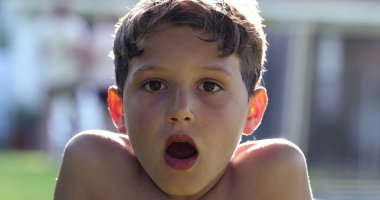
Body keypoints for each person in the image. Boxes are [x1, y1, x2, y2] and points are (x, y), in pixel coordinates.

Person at [54, 0, 313, 199]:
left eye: (210, 86)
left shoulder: (271, 180)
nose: (180, 110)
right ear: (118, 108)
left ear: (252, 111)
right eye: (154, 85)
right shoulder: (94, 170)